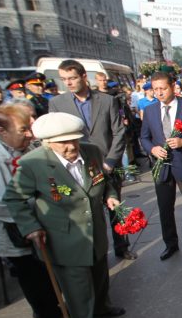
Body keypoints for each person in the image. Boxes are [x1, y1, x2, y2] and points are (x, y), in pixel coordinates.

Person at [4, 113, 127, 318]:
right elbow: (13, 198)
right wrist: (30, 227)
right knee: (77, 285)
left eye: (74, 140)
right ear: (47, 142)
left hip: (95, 230)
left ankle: (102, 306)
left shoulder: (91, 152)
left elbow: (104, 181)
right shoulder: (33, 163)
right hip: (63, 237)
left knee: (100, 273)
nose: (71, 146)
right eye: (63, 142)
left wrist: (110, 197)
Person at [49, 59, 136, 260]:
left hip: (106, 164)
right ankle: (92, 251)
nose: (68, 83)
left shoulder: (106, 101)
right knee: (87, 211)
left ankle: (122, 246)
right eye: (64, 79)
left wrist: (111, 161)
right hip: (77, 167)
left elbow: (119, 133)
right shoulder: (57, 104)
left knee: (115, 207)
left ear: (83, 77)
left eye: (72, 78)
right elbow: (55, 138)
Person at [0, 105, 62, 318]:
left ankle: (59, 306)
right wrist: (34, 212)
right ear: (3, 132)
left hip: (42, 221)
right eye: (23, 130)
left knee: (47, 268)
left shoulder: (27, 148)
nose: (29, 134)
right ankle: (48, 315)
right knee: (32, 275)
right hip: (15, 229)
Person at [140, 71, 182, 260]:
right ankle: (170, 244)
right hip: (161, 167)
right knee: (164, 207)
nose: (159, 93)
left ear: (173, 86)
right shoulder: (151, 110)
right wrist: (152, 149)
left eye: (163, 88)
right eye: (155, 89)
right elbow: (144, 137)